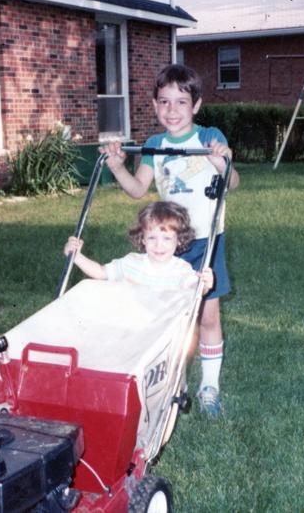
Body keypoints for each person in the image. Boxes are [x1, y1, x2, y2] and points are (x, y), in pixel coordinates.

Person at [99, 63, 240, 417]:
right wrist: (117, 167)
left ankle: (210, 386)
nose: (172, 110)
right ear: (154, 105)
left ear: (196, 105)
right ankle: (175, 381)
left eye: (181, 102)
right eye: (164, 101)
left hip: (206, 242)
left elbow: (233, 182)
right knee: (171, 318)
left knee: (207, 316)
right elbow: (138, 189)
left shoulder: (209, 137)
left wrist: (220, 163)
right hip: (168, 246)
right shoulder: (154, 145)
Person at [63, 201, 213, 294]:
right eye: (152, 238)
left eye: (167, 238)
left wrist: (205, 284)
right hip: (133, 324)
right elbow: (101, 272)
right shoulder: (131, 263)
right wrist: (76, 256)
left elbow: (196, 289)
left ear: (179, 240)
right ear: (143, 239)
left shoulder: (182, 270)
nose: (158, 245)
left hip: (165, 328)